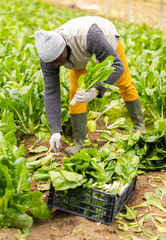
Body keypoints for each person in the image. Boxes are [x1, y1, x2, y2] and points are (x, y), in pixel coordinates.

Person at [34, 16, 145, 155]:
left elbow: (117, 66)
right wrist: (55, 130)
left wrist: (96, 90)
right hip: (80, 58)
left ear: (63, 48)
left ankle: (139, 128)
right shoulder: (48, 57)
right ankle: (79, 144)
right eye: (52, 63)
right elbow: (51, 91)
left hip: (106, 43)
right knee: (76, 92)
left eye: (57, 60)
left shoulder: (91, 36)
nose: (55, 65)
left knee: (124, 83)